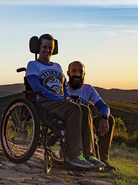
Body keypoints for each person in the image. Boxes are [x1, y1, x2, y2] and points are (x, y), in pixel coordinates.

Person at [26, 34, 105, 169]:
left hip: (60, 102)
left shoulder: (57, 66)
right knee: (74, 109)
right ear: (39, 48)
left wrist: (66, 96)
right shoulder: (33, 65)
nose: (47, 50)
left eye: (50, 48)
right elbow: (36, 86)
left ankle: (89, 154)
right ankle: (75, 156)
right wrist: (55, 97)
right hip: (45, 101)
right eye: (44, 47)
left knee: (85, 109)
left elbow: (64, 86)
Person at [67, 61, 117, 170]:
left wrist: (104, 117)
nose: (77, 74)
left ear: (84, 75)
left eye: (81, 72)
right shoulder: (63, 88)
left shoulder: (88, 89)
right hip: (69, 124)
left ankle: (102, 159)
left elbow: (104, 106)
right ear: (68, 73)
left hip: (87, 124)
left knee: (110, 119)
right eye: (74, 71)